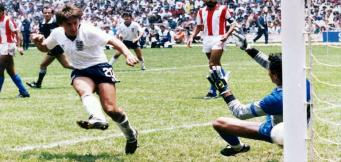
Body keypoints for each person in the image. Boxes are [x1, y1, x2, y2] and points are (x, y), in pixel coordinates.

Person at [31, 5, 139, 154]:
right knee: (83, 89)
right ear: (60, 24)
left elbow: (114, 41)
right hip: (81, 70)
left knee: (111, 110)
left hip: (100, 67)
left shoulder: (88, 30)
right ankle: (97, 117)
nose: (73, 27)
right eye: (69, 24)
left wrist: (128, 54)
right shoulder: (56, 33)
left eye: (75, 23)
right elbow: (45, 47)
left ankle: (131, 135)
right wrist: (38, 41)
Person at [208, 35, 311, 156]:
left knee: (219, 123)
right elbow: (271, 64)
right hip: (302, 125)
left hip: (281, 131)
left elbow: (240, 112)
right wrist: (247, 48)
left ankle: (237, 147)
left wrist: (223, 89)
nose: (268, 71)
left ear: (275, 76)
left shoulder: (276, 100)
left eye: (270, 71)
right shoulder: (301, 79)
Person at [187, 0, 237, 99]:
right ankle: (224, 81)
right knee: (216, 65)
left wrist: (227, 35)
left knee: (212, 64)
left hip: (219, 38)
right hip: (206, 39)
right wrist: (191, 36)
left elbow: (233, 23)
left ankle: (212, 91)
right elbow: (199, 26)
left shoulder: (223, 9)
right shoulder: (201, 11)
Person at [26, 6, 73, 89]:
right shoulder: (42, 23)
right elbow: (42, 34)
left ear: (52, 14)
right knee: (65, 65)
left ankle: (38, 84)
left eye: (49, 12)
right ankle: (84, 70)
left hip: (57, 47)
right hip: (50, 47)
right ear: (43, 13)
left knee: (44, 65)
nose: (47, 14)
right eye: (45, 12)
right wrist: (37, 36)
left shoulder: (56, 23)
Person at [0, 3, 30, 98]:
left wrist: (20, 46)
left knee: (0, 69)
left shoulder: (8, 19)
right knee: (10, 71)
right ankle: (24, 92)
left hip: (9, 46)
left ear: (2, 11)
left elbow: (17, 32)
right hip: (2, 46)